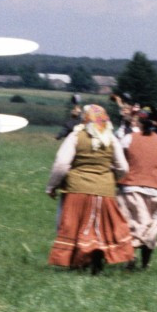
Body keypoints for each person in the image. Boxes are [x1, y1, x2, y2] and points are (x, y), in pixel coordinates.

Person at [47, 104, 135, 273]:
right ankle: (96, 261)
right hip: (105, 191)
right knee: (100, 227)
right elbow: (123, 168)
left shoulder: (76, 136)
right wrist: (111, 179)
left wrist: (52, 186)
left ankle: (77, 262)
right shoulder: (111, 139)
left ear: (85, 118)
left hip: (77, 189)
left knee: (75, 225)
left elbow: (61, 165)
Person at [116, 107, 157, 269]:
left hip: (131, 190)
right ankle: (145, 264)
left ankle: (130, 258)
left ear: (139, 122)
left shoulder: (128, 139)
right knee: (151, 228)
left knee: (131, 225)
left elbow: (118, 162)